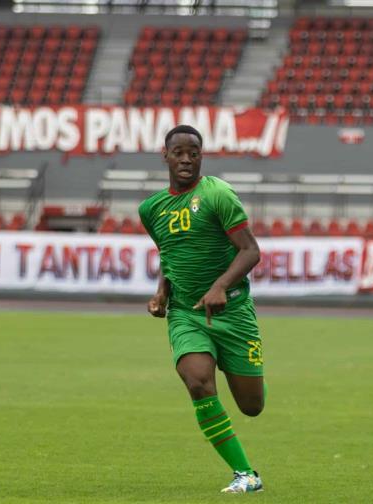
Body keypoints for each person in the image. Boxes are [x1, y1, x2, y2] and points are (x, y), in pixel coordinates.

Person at [139, 124, 265, 493]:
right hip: (187, 314)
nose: (185, 159)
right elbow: (170, 256)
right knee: (197, 381)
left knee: (252, 405)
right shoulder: (151, 209)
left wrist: (221, 286)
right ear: (165, 155)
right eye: (178, 152)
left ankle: (230, 359)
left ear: (201, 156)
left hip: (234, 312)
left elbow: (250, 250)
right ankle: (246, 475)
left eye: (193, 152)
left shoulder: (218, 194)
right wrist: (162, 293)